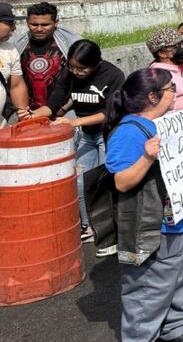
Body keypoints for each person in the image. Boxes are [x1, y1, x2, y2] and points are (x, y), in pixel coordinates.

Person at [104, 68, 183, 342]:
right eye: (171, 88)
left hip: (181, 219)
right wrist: (147, 158)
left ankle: (172, 325)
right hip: (155, 226)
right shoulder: (129, 132)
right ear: (152, 97)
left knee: (178, 277)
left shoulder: (164, 122)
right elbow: (121, 181)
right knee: (148, 288)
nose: (176, 93)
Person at [32, 39, 126, 242]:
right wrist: (32, 117)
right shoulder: (69, 73)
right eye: (72, 67)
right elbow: (54, 102)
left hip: (109, 134)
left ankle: (113, 229)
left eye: (82, 69)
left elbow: (111, 112)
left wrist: (75, 122)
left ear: (96, 63)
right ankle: (89, 227)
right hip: (87, 134)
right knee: (81, 180)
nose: (76, 72)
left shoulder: (113, 75)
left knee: (106, 181)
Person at [15, 2, 83, 112]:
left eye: (45, 25)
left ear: (56, 22)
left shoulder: (71, 44)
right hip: (30, 113)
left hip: (66, 111)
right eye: (34, 24)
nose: (39, 29)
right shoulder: (17, 45)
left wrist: (65, 108)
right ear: (27, 22)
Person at [146, 29, 183, 111]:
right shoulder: (160, 77)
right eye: (177, 46)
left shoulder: (172, 71)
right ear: (162, 53)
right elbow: (164, 108)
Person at [0, 2, 31, 125]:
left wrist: (23, 118)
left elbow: (16, 85)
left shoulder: (10, 49)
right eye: (9, 23)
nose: (14, 28)